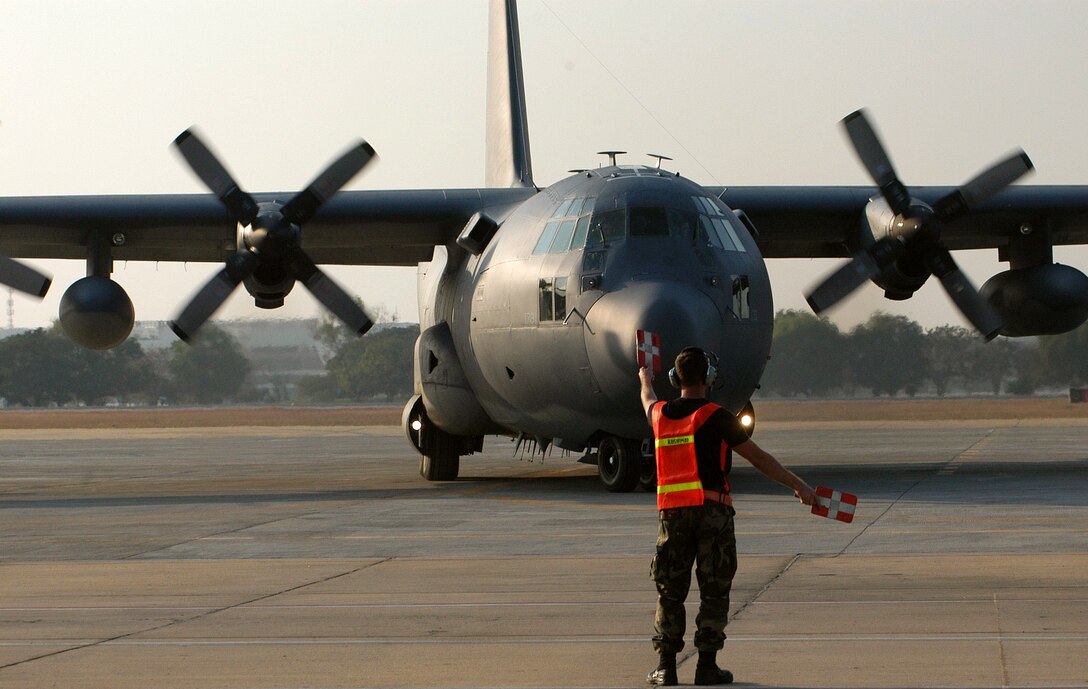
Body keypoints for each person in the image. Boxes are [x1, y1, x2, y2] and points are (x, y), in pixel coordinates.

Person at [639, 346, 817, 686]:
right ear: (708, 378)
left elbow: (647, 398)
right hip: (713, 513)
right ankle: (706, 666)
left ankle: (666, 667)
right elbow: (759, 458)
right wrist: (799, 486)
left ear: (675, 378)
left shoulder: (659, 415)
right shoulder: (717, 416)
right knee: (715, 588)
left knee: (670, 590)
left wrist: (644, 378)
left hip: (672, 516)